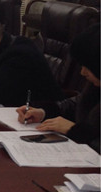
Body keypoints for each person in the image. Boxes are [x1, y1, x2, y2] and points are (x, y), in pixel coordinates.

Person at [16, 24, 100, 152]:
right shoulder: (95, 86)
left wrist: (74, 130)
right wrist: (43, 113)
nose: (82, 72)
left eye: (88, 67)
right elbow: (76, 105)